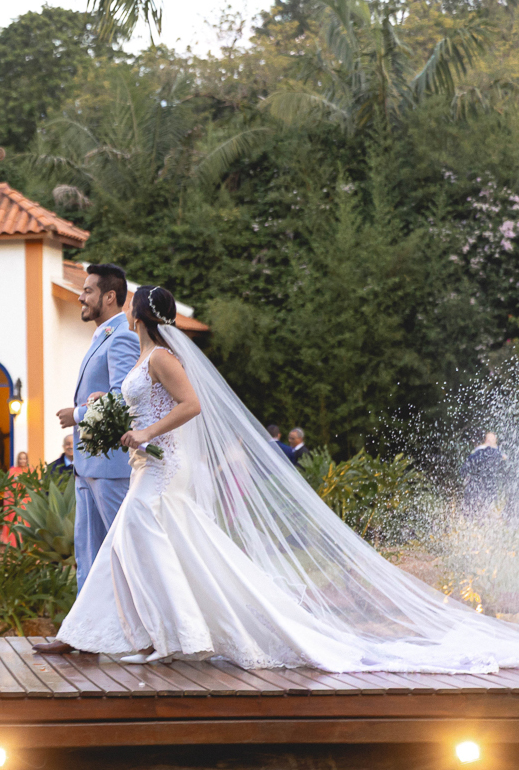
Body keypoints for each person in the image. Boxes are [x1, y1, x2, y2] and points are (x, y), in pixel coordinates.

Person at [37, 284, 519, 672]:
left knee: (134, 535)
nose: (125, 311)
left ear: (138, 315)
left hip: (163, 466)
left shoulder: (162, 357)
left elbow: (191, 405)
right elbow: (142, 403)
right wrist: (99, 411)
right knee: (160, 541)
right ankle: (135, 633)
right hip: (148, 463)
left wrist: (145, 433)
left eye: (130, 306)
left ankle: (175, 634)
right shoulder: (145, 359)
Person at [54, 264, 141, 594]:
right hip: (87, 466)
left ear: (109, 296)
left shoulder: (122, 338)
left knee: (122, 550)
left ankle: (138, 619)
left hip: (110, 467)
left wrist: (77, 414)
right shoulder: (102, 337)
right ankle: (86, 624)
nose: (81, 297)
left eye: (88, 291)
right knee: (87, 555)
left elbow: (123, 398)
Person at [461, 432, 506, 517]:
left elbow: (464, 469)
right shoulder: (498, 454)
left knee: (474, 513)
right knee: (487, 513)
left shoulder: (477, 452)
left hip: (477, 487)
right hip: (489, 488)